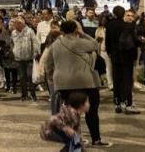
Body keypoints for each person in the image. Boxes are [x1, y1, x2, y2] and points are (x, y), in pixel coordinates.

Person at [44, 20, 111, 148]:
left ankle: (75, 139)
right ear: (75, 29)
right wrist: (83, 33)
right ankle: (96, 139)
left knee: (71, 113)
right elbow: (95, 44)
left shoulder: (55, 44)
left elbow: (48, 63)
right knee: (91, 111)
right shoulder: (79, 42)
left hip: (63, 84)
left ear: (62, 31)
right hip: (84, 82)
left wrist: (51, 76)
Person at [105, 6, 141, 114]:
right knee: (127, 80)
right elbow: (134, 43)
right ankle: (128, 103)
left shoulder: (110, 25)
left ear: (114, 14)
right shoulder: (128, 26)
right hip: (127, 57)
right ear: (123, 14)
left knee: (117, 80)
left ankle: (117, 103)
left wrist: (110, 53)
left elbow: (107, 42)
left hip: (115, 57)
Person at [11, 16, 41, 101]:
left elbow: (35, 42)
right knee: (22, 77)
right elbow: (12, 43)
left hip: (29, 58)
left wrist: (35, 52)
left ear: (22, 24)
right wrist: (14, 51)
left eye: (17, 24)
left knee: (30, 76)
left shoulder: (30, 31)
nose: (15, 26)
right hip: (19, 59)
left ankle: (33, 94)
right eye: (15, 24)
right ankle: (24, 95)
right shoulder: (13, 33)